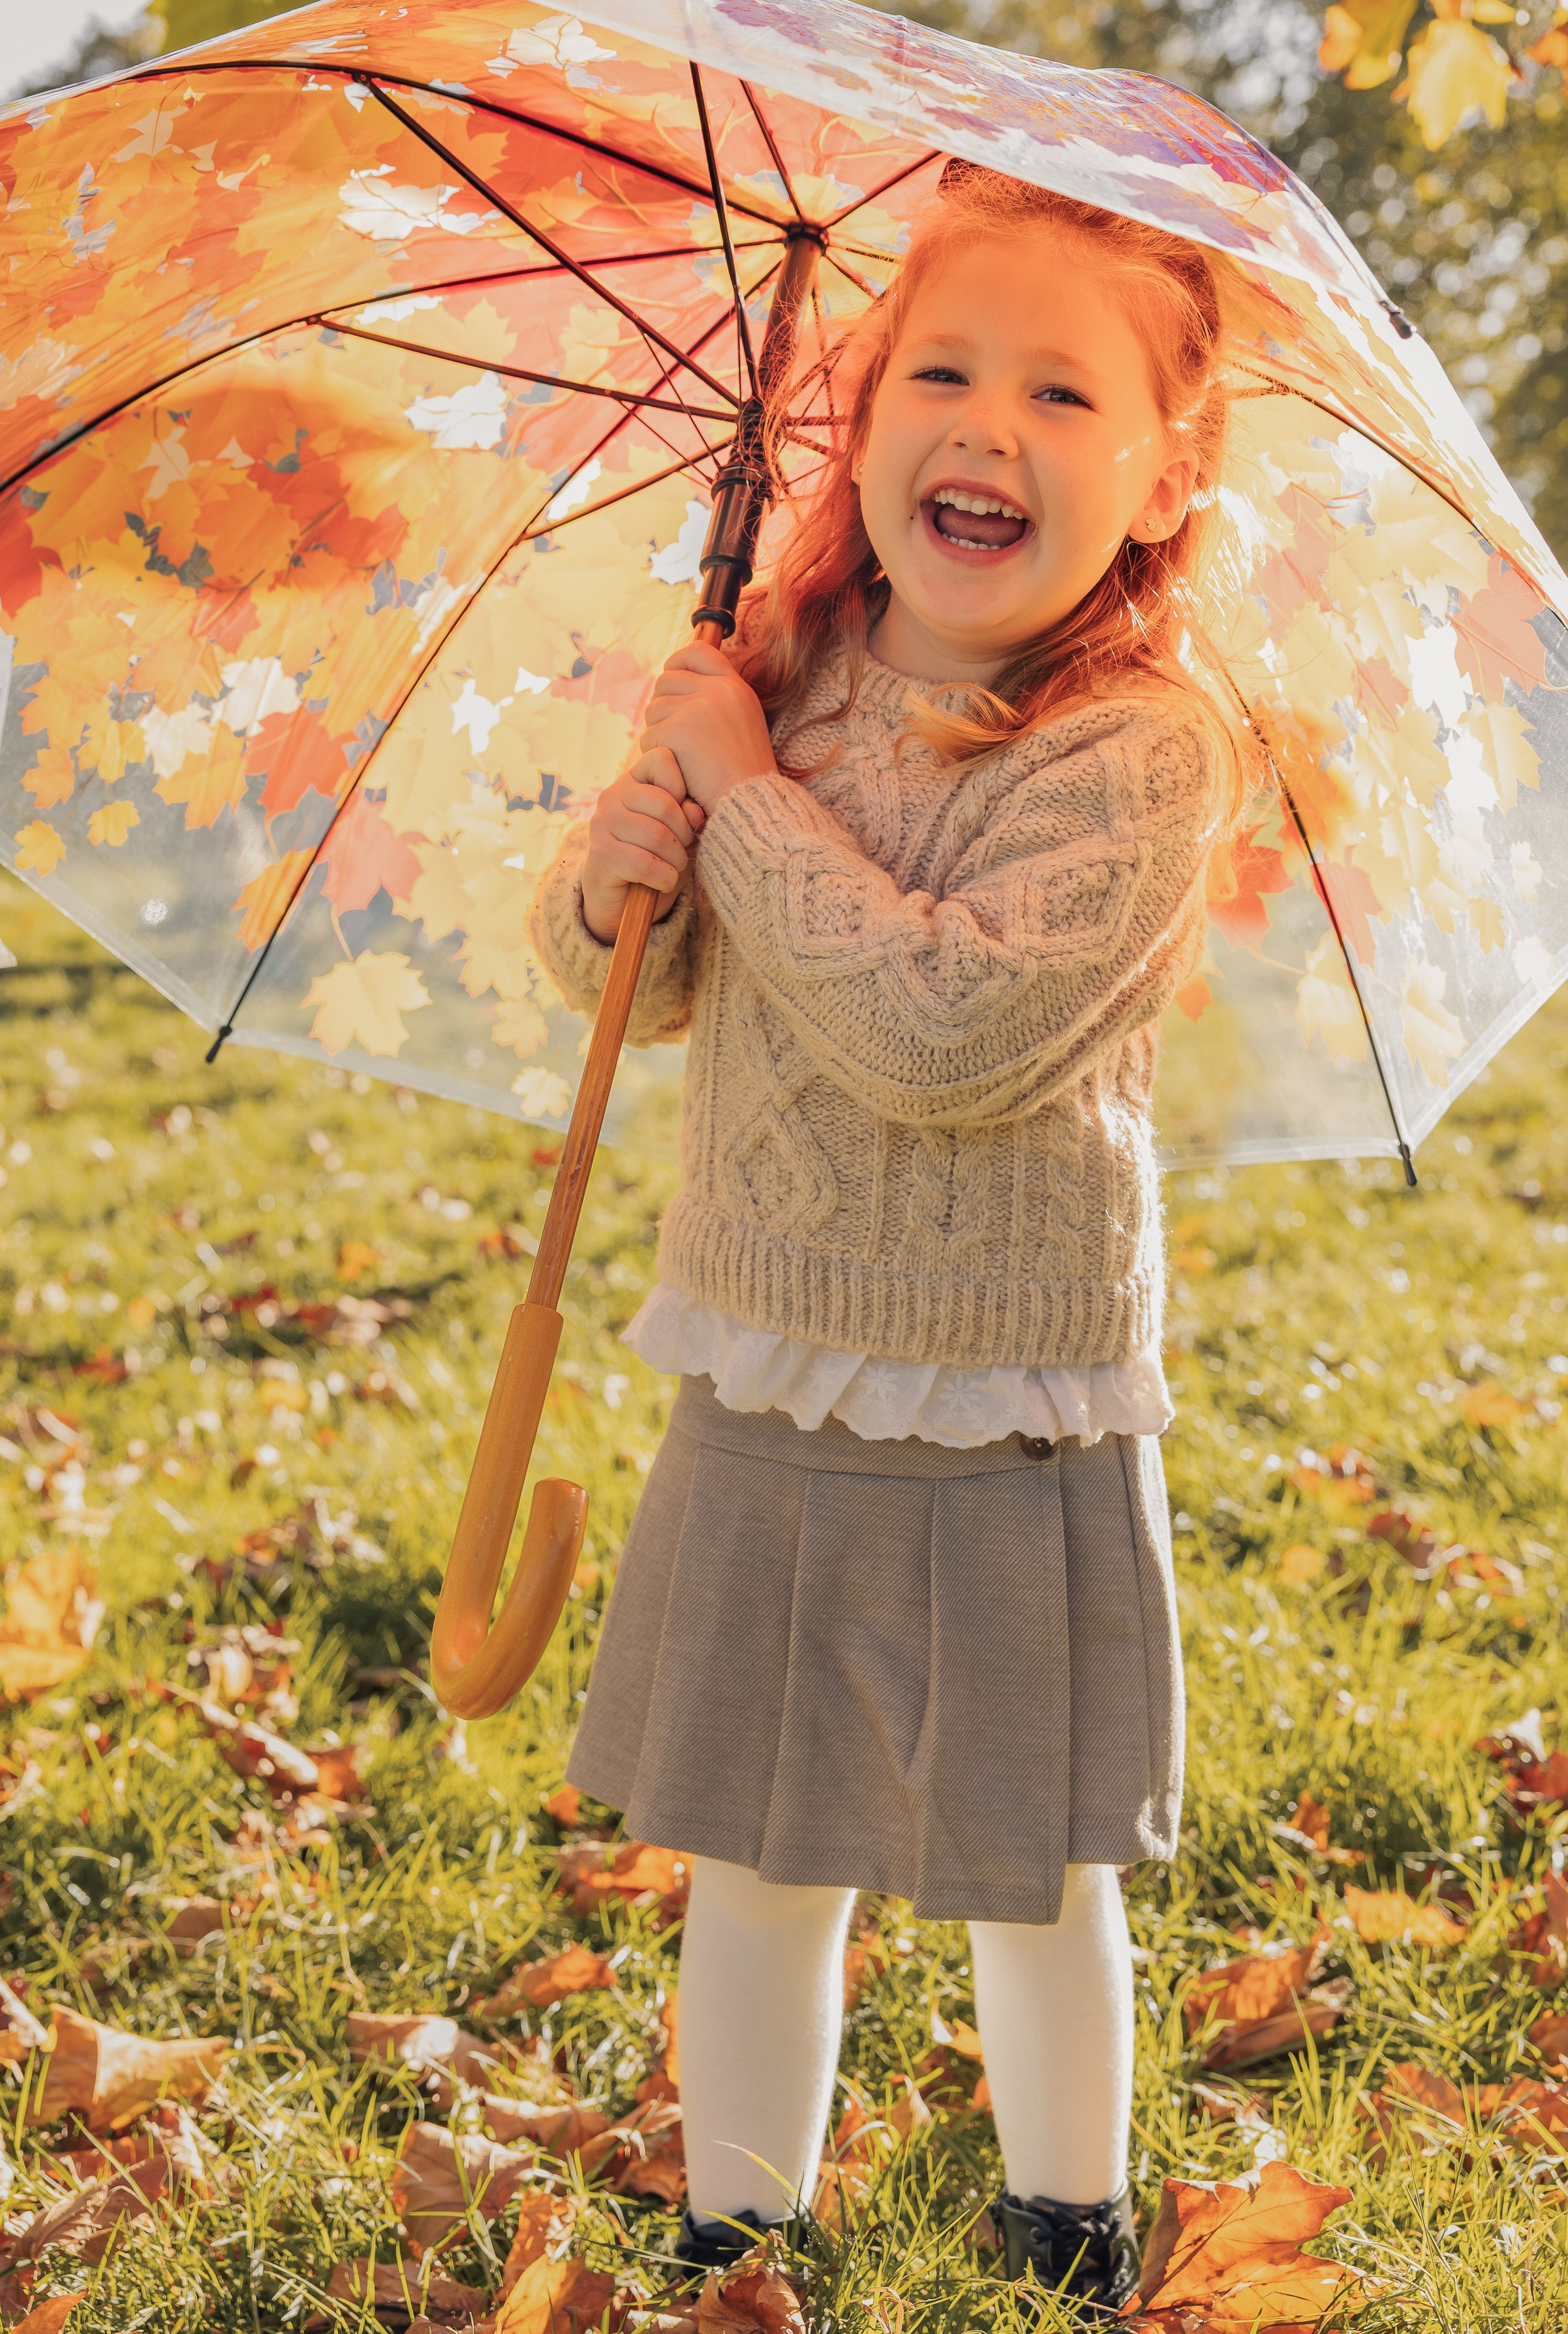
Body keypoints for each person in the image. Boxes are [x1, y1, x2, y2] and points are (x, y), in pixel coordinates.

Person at [527, 161, 1248, 2320]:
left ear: (1157, 470)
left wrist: (745, 801)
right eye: (941, 370)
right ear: (858, 411)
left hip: (1013, 1403)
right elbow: (633, 989)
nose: (986, 428)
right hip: (769, 1365)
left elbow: (939, 1037)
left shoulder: (1144, 757)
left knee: (1028, 1872)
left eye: (1060, 391)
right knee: (754, 1852)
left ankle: (1065, 2226)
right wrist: (633, 850)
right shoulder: (778, 669)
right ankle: (743, 2230)